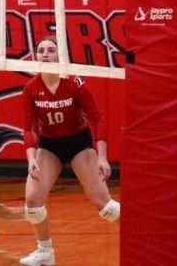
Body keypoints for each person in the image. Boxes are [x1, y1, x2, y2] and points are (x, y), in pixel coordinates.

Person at [19, 37, 120, 266]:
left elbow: (98, 119)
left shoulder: (74, 82)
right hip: (50, 145)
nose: (45, 54)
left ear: (60, 56)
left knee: (106, 208)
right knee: (33, 201)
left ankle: (147, 234)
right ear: (36, 56)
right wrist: (31, 158)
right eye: (41, 50)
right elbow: (29, 127)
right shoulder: (31, 88)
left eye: (51, 50)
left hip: (79, 144)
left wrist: (102, 157)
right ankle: (45, 252)